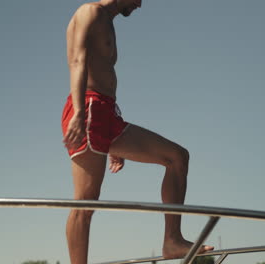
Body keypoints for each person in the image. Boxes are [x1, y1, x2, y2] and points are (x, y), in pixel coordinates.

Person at [61, 1, 214, 263]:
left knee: (177, 157)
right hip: (87, 109)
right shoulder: (91, 12)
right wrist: (78, 112)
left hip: (108, 115)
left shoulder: (108, 21)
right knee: (86, 203)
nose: (140, 4)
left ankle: (172, 241)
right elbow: (78, 60)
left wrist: (112, 142)